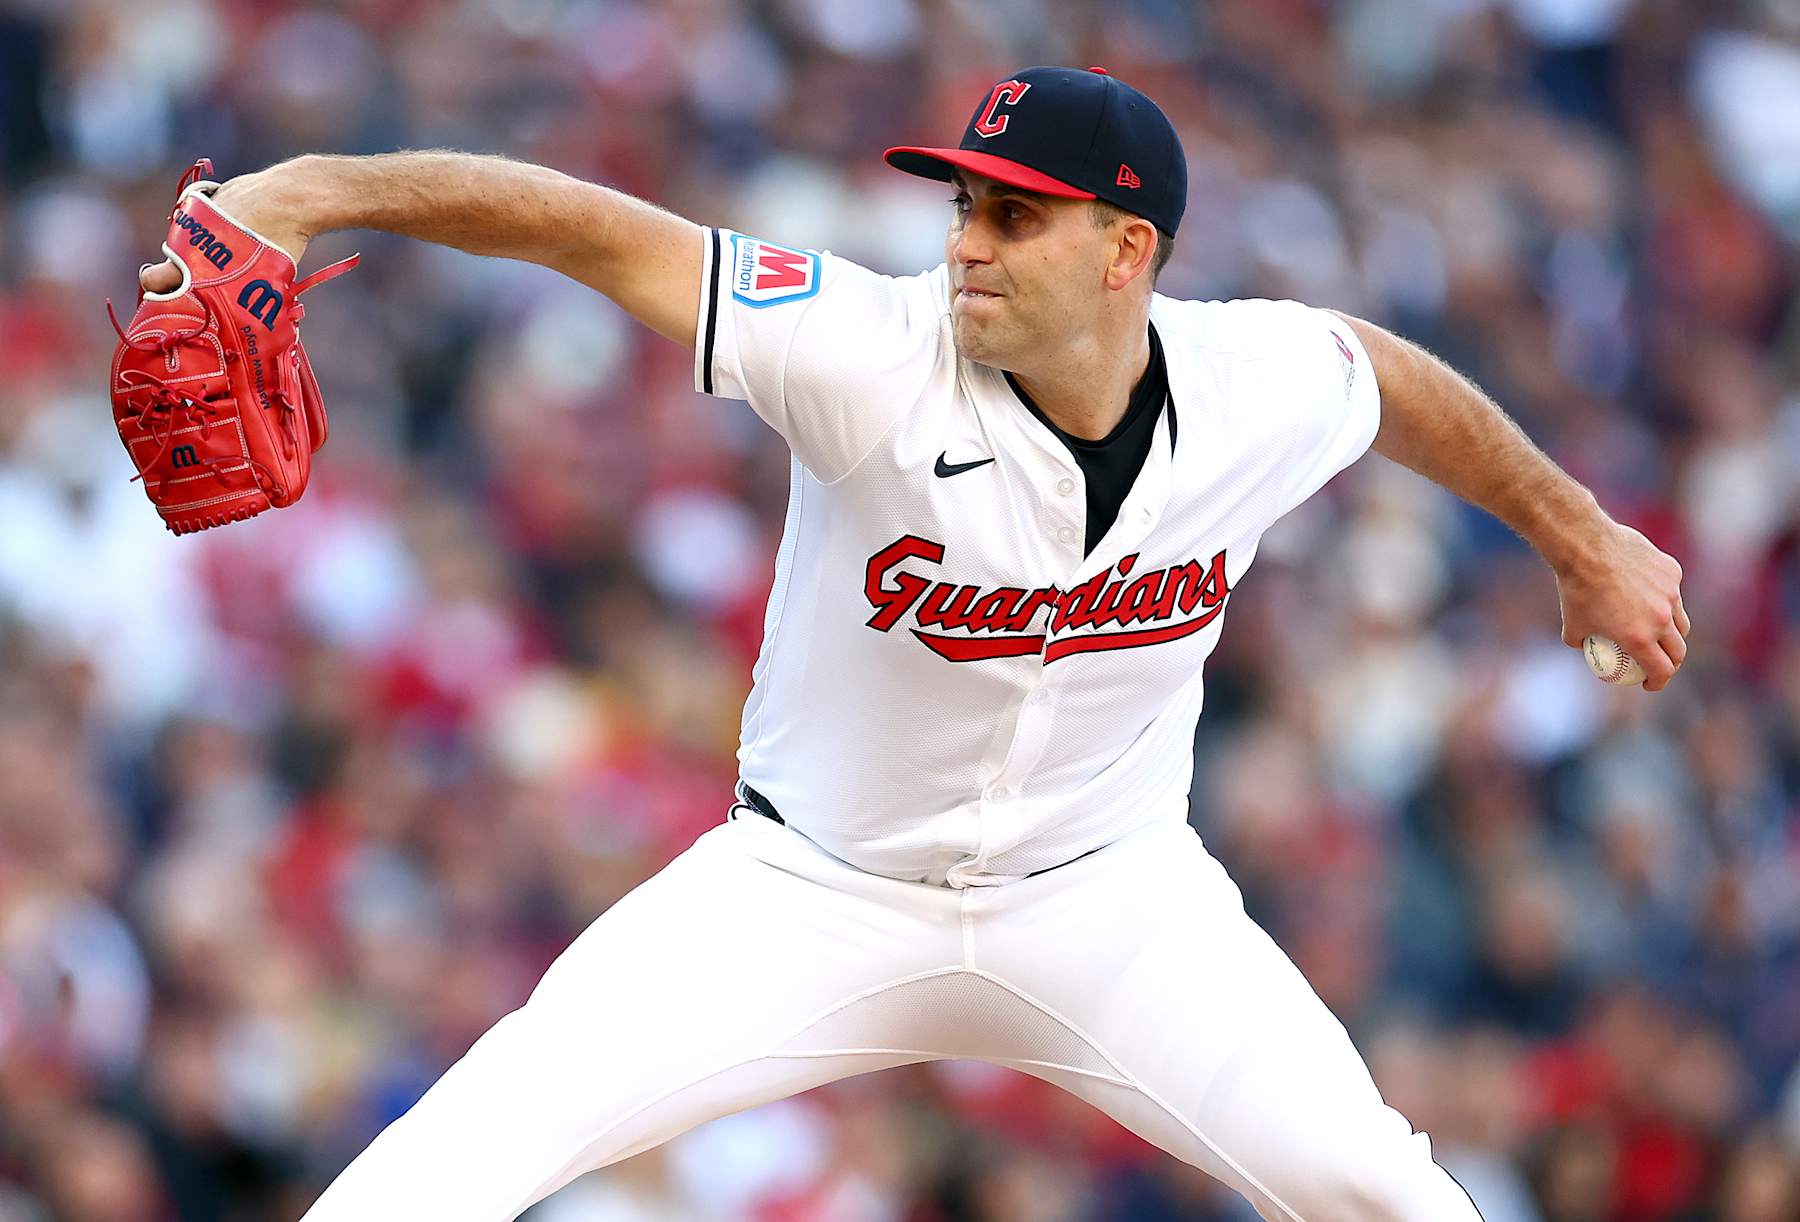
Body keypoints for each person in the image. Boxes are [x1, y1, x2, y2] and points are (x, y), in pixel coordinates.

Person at [140, 66, 1687, 1221]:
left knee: (1390, 1193)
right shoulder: (867, 352)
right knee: (451, 1159)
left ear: (1126, 251)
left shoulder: (1253, 382)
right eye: (961, 203)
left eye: (1014, 214)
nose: (967, 243)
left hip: (1112, 904)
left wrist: (1579, 535)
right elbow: (591, 233)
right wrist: (320, 186)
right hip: (806, 892)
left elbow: (1393, 382)